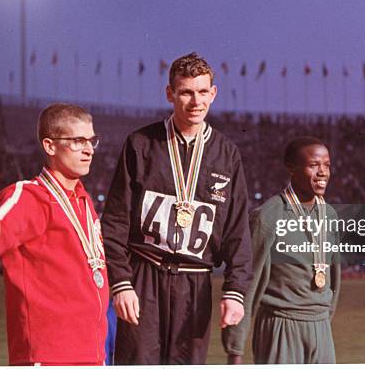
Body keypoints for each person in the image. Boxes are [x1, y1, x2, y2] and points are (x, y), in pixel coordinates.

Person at [102, 52, 252, 364]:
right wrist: (121, 282)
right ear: (170, 94)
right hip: (144, 276)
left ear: (213, 93)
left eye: (202, 92)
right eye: (185, 92)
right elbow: (115, 221)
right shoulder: (141, 144)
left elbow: (238, 232)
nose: (195, 101)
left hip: (194, 283)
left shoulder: (227, 154)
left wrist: (235, 290)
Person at [0, 103, 109, 365]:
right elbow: (0, 231)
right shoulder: (31, 196)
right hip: (48, 355)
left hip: (91, 353)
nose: (88, 150)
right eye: (77, 141)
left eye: (91, 140)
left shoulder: (83, 201)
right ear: (50, 146)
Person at [222, 136, 341, 364]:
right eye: (313, 165)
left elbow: (334, 278)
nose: (323, 172)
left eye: (327, 165)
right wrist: (235, 350)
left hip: (320, 326)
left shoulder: (330, 216)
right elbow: (247, 282)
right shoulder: (268, 216)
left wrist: (324, 317)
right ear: (292, 168)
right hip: (280, 324)